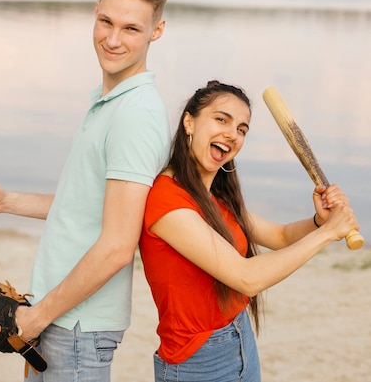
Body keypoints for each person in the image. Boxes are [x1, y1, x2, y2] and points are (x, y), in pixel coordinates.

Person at [0, 0, 171, 381]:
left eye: (130, 28)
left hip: (75, 325)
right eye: (106, 21)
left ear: (156, 31)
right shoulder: (109, 102)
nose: (112, 39)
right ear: (95, 12)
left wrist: (37, 318)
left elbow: (118, 246)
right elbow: (86, 206)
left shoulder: (135, 114)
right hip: (62, 317)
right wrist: (7, 202)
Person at [139, 80, 359, 382]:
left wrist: (318, 222)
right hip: (197, 361)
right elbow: (247, 278)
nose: (232, 134)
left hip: (240, 339)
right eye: (221, 120)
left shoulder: (215, 196)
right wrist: (328, 234)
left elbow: (280, 236)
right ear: (189, 122)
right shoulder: (167, 199)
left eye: (242, 129)